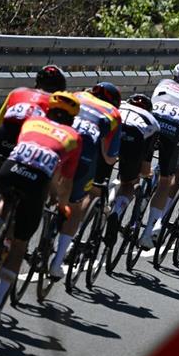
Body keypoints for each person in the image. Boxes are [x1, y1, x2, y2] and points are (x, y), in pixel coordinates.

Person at [0, 92, 82, 327]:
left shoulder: (32, 121)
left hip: (11, 169)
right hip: (36, 183)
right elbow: (65, 179)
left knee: (4, 203)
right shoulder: (74, 137)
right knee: (19, 245)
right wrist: (61, 203)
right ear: (71, 119)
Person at [0, 65, 66, 228]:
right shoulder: (57, 106)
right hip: (28, 140)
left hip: (4, 134)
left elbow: (1, 119)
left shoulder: (17, 92)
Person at [47, 82, 121, 279]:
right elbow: (109, 156)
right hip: (84, 151)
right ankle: (57, 262)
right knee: (76, 205)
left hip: (55, 139)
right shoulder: (113, 113)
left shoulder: (79, 94)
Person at [138, 62, 179, 249]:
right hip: (173, 132)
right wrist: (177, 142)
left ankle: (120, 200)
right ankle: (148, 232)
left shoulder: (163, 83)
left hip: (148, 124)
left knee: (135, 167)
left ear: (175, 75)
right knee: (166, 181)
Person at [104, 93, 159, 247]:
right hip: (134, 139)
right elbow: (145, 167)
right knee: (129, 183)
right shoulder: (152, 122)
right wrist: (146, 174)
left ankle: (101, 203)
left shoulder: (120, 106)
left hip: (112, 128)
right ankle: (116, 212)